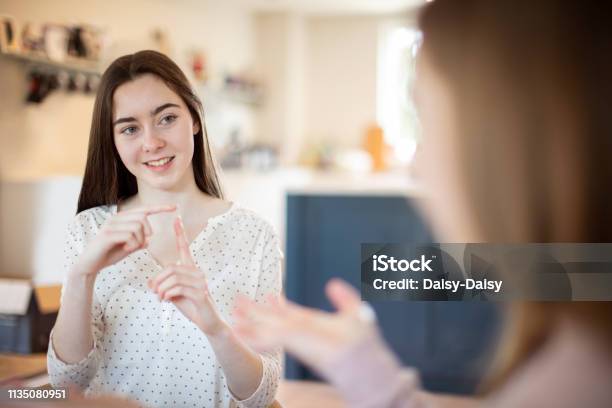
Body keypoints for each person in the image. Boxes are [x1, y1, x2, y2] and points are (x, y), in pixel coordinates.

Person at [233, 1, 612, 407]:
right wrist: (361, 366)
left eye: (426, 119)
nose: (417, 164)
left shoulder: (575, 378)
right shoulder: (576, 346)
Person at [47, 50, 282, 408]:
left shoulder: (255, 235)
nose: (152, 142)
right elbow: (66, 382)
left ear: (194, 119)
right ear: (113, 140)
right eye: (130, 128)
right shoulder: (88, 230)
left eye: (167, 119)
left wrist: (215, 327)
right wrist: (83, 274)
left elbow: (262, 395)